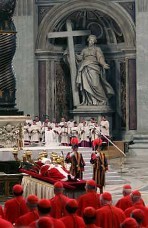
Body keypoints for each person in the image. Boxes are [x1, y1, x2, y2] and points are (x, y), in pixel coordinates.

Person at [76, 34, 114, 106]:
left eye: (93, 40)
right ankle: (89, 101)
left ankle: (102, 99)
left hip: (93, 67)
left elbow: (100, 58)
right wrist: (72, 54)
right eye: (90, 40)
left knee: (95, 84)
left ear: (95, 42)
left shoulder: (97, 49)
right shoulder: (84, 50)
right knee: (86, 85)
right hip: (84, 68)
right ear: (88, 40)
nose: (91, 41)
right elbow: (80, 58)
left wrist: (103, 64)